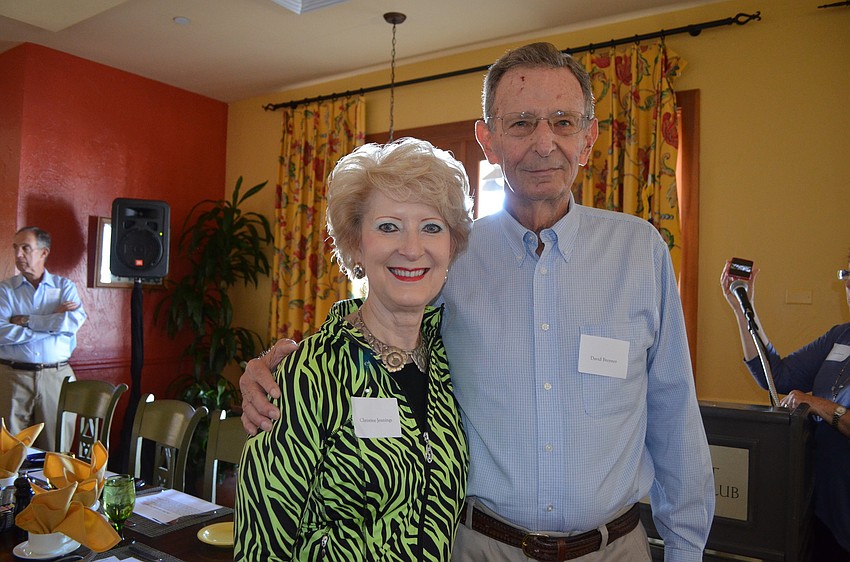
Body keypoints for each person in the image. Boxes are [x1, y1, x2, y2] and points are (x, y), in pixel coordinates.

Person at [242, 42, 715, 561]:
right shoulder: (452, 257)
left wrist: (685, 549)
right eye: (520, 124)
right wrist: (274, 368)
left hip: (614, 548)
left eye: (562, 121)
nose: (543, 143)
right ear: (486, 140)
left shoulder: (639, 251)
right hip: (485, 548)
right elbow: (375, 331)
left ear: (589, 138)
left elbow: (675, 416)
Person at [234, 137, 473, 561]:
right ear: (355, 245)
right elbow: (260, 547)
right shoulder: (305, 376)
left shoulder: (455, 360)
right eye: (388, 226)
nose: (412, 248)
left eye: (431, 227)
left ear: (451, 247)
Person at [721, 257, 850, 560]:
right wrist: (743, 309)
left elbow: (819, 405)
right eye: (848, 273)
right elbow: (778, 376)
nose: (847, 283)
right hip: (822, 510)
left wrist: (818, 404)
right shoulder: (840, 336)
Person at [0, 226, 86, 451]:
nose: (18, 255)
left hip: (56, 378)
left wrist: (27, 320)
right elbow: (1, 332)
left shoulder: (64, 288)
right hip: (12, 377)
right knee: (10, 453)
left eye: (25, 248)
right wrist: (50, 322)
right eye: (16, 248)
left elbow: (70, 323)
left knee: (56, 451)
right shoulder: (5, 291)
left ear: (44, 252)